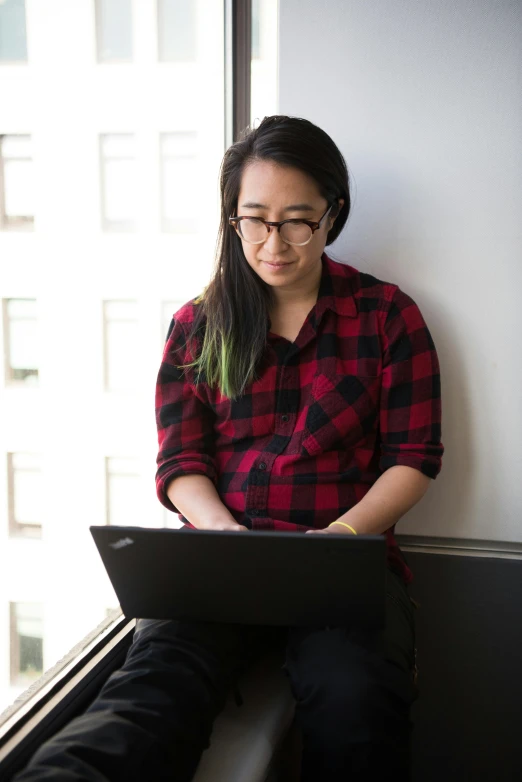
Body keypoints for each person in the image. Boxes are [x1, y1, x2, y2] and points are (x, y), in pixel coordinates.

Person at [14, 115, 443, 781]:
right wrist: (221, 534)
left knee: (356, 702)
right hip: (216, 564)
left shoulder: (388, 316)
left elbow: (412, 458)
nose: (274, 242)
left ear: (333, 213)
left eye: (297, 219)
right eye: (255, 219)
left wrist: (342, 534)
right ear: (232, 218)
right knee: (146, 698)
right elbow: (181, 461)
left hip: (342, 563)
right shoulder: (196, 324)